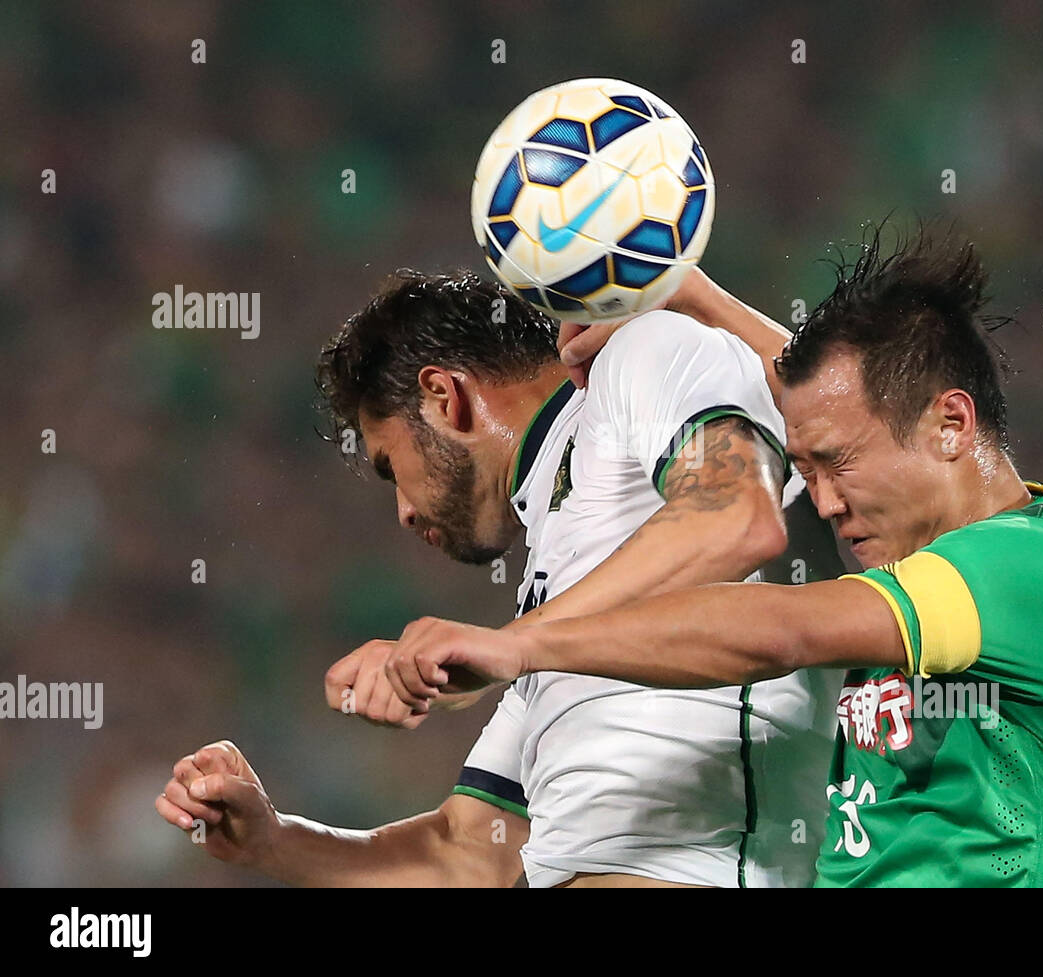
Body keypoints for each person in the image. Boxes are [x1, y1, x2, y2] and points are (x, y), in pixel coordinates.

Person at [394, 230, 1043, 887]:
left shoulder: (1037, 564)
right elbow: (836, 402)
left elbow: (779, 631)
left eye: (837, 466)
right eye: (807, 472)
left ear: (952, 423)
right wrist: (691, 296)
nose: (821, 504)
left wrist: (520, 645)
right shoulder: (934, 568)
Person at [156, 268, 843, 887]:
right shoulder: (557, 587)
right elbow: (472, 852)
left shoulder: (644, 350)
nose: (401, 511)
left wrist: (512, 644)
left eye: (389, 465)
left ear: (443, 396)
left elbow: (734, 515)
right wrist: (276, 841)